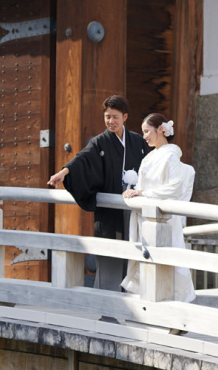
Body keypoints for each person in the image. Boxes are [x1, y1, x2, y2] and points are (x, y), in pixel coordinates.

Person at [47, 95, 148, 291]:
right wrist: (63, 172)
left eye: (115, 117)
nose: (111, 121)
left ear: (125, 117)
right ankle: (107, 311)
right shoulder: (100, 142)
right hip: (110, 211)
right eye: (107, 117)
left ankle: (134, 306)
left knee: (136, 257)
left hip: (134, 211)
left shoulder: (137, 141)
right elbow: (82, 158)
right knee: (109, 258)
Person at [121, 113, 195, 305]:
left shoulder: (171, 155)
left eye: (147, 131)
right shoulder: (150, 157)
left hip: (165, 218)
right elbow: (142, 185)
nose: (144, 136)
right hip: (146, 215)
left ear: (160, 129)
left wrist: (144, 193)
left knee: (170, 262)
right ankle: (149, 307)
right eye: (143, 132)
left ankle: (177, 307)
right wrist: (135, 192)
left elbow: (175, 186)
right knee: (147, 261)